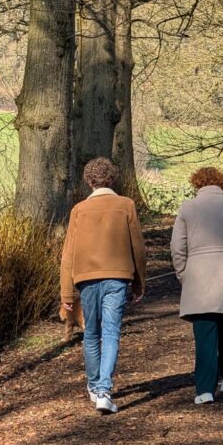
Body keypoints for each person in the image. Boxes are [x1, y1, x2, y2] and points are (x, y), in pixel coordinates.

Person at [60, 157, 146, 415]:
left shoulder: (78, 210)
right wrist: (139, 283)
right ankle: (104, 390)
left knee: (91, 334)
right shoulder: (126, 205)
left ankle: (95, 385)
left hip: (86, 278)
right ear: (113, 179)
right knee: (111, 332)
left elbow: (69, 253)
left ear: (89, 181)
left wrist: (66, 292)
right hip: (118, 277)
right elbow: (138, 248)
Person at [171, 166, 223, 404]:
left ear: (196, 184)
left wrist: (184, 273)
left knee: (205, 329)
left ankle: (205, 389)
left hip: (198, 272)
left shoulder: (187, 208)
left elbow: (177, 247)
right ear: (221, 183)